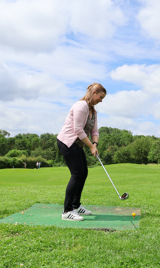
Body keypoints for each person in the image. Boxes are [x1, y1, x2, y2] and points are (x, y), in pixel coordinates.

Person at [57, 83, 106, 221]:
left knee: (84, 172)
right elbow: (78, 129)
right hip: (67, 142)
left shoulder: (93, 111)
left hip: (77, 144)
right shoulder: (81, 106)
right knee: (77, 174)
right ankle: (67, 211)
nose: (101, 101)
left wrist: (95, 144)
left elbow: (94, 131)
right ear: (94, 92)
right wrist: (90, 146)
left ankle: (76, 205)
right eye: (100, 97)